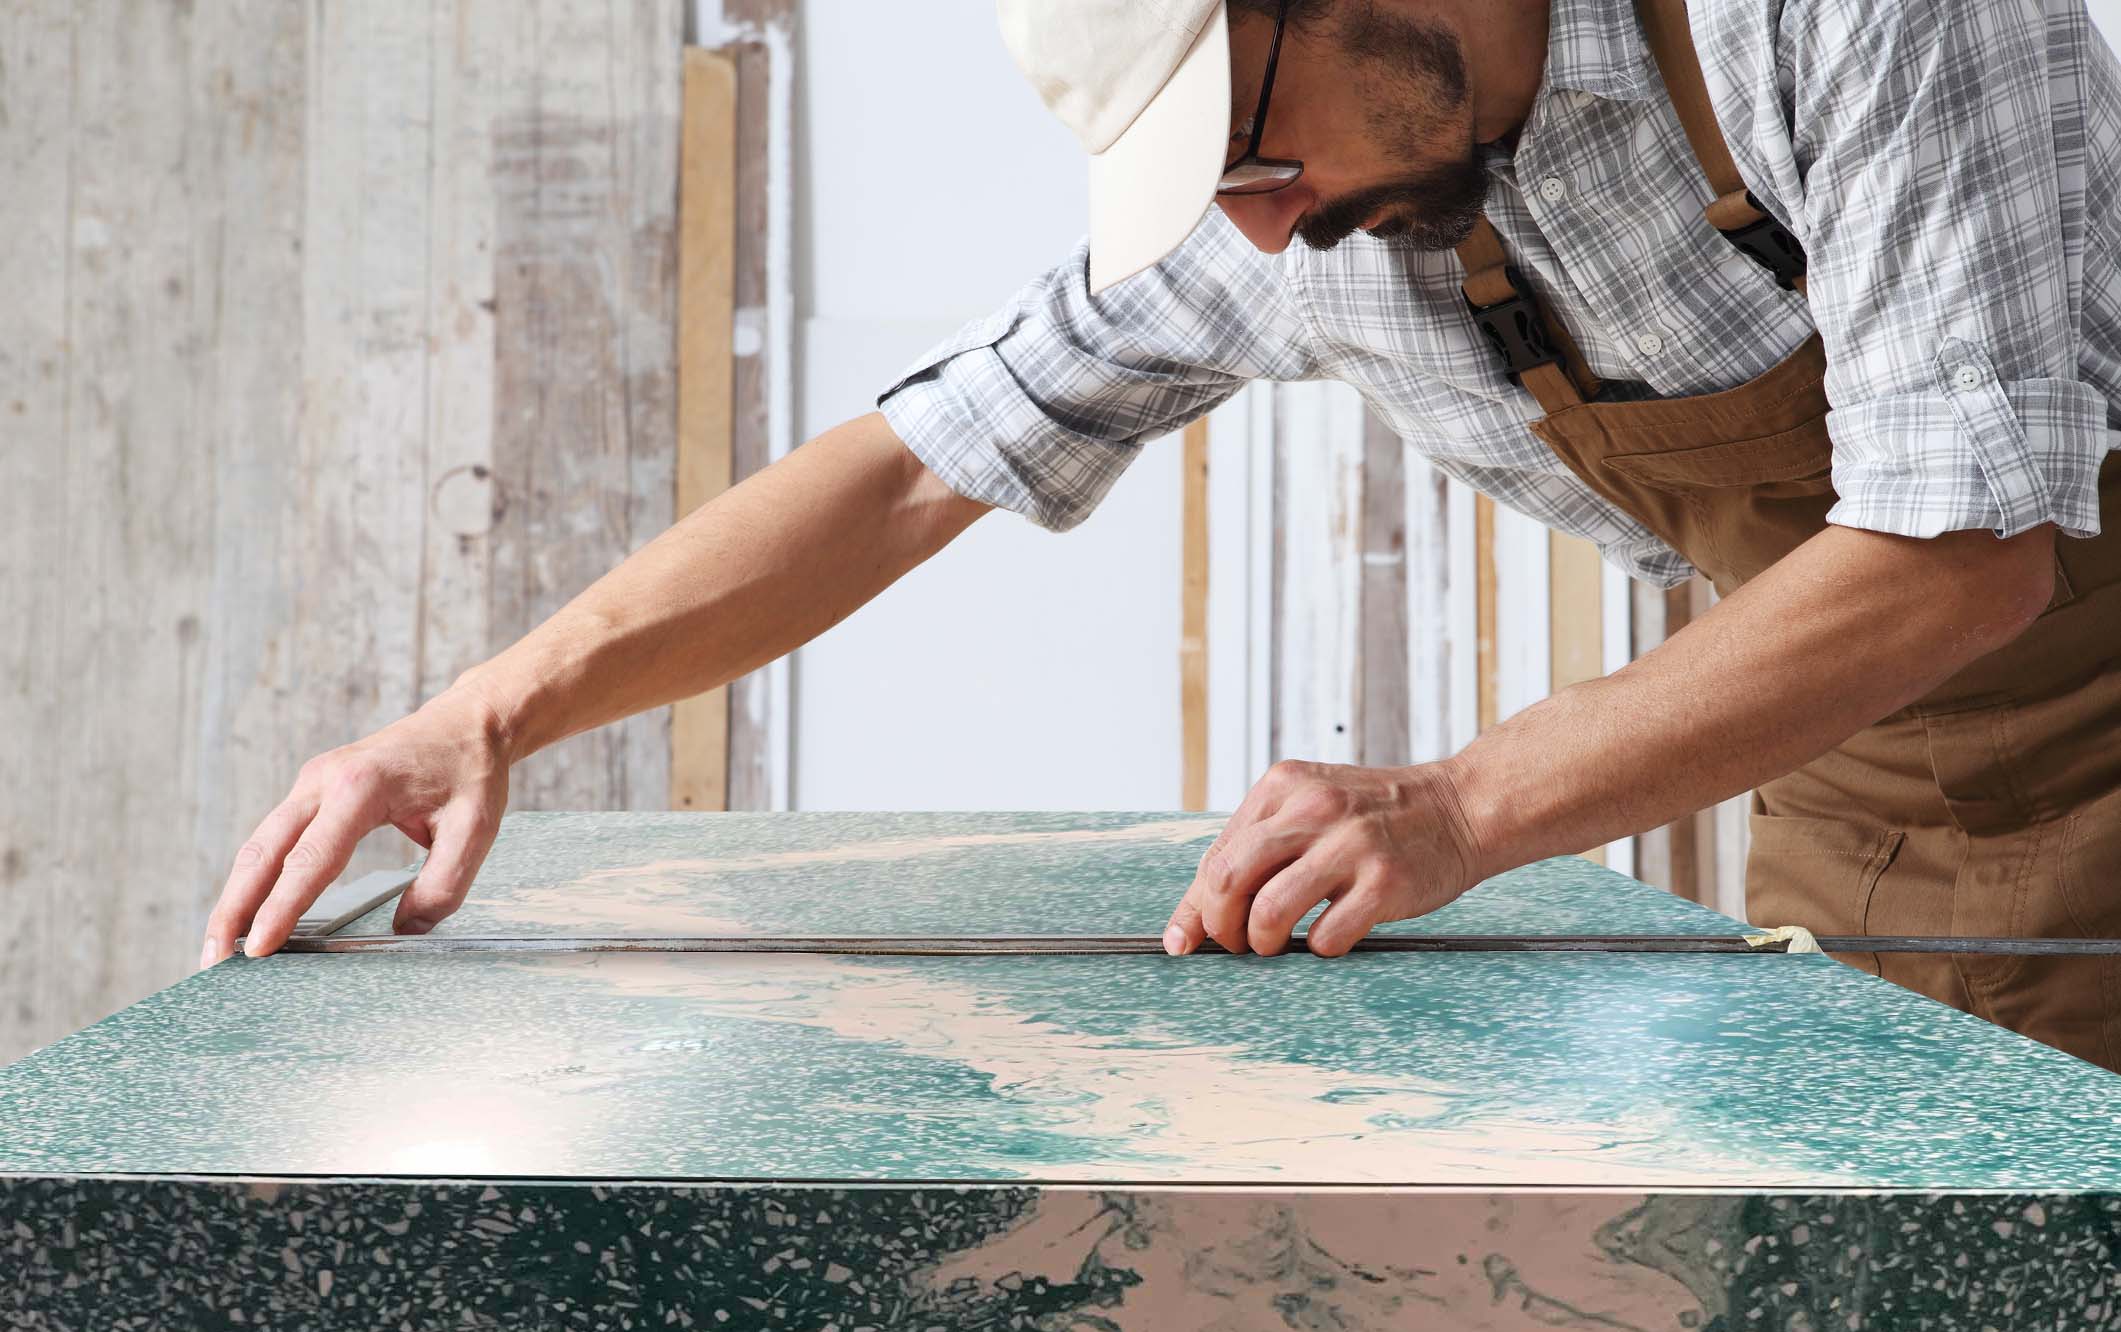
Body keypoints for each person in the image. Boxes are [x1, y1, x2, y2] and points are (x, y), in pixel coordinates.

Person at [204, 0, 2121, 1071]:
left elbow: (1965, 550)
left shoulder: (1845, 17)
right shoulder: (1314, 232)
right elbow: (915, 462)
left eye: (1254, 156)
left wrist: (1456, 808)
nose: (1258, 227)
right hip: (1882, 783)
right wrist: (487, 712)